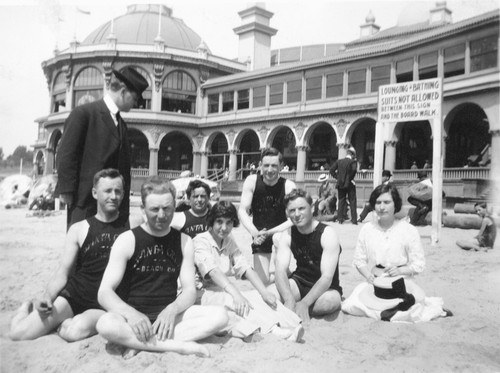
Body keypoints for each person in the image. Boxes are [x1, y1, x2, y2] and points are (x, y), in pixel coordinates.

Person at [96, 177, 228, 357]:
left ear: (174, 207)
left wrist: (171, 310)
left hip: (169, 317)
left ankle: (141, 343)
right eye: (154, 209)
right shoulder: (127, 240)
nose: (161, 215)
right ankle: (179, 347)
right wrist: (132, 314)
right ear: (143, 209)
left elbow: (189, 290)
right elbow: (104, 292)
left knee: (221, 317)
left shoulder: (184, 241)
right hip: (131, 319)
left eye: (166, 208)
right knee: (105, 324)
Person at [9, 169, 130, 341]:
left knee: (76, 331)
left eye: (118, 191)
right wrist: (46, 297)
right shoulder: (79, 229)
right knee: (18, 333)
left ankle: (66, 324)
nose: (113, 196)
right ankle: (24, 309)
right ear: (95, 193)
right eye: (108, 191)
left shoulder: (132, 224)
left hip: (107, 301)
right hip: (76, 295)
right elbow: (62, 272)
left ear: (124, 194)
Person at [193, 201, 304, 342]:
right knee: (236, 301)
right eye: (219, 222)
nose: (224, 227)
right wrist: (236, 294)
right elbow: (213, 271)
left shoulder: (228, 240)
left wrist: (264, 292)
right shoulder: (201, 240)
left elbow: (244, 266)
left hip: (220, 290)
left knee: (256, 296)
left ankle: (292, 323)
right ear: (211, 221)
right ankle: (275, 330)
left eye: (229, 223)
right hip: (201, 294)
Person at [55, 67, 149, 228]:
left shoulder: (121, 124)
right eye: (135, 98)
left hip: (115, 208)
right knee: (84, 249)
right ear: (123, 91)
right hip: (85, 203)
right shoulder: (84, 114)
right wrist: (67, 191)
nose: (136, 103)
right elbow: (66, 153)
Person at [343, 183, 450, 322]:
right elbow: (359, 260)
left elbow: (419, 264)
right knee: (353, 305)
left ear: (396, 204)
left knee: (410, 311)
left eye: (387, 202)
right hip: (376, 285)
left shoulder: (408, 230)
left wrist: (400, 271)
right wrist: (369, 276)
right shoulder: (367, 229)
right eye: (378, 203)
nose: (382, 207)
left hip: (401, 283)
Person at [274, 189, 343, 324]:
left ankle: (300, 307)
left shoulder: (327, 233)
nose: (297, 214)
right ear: (287, 213)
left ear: (311, 208)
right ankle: (294, 305)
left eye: (301, 208)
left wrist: (305, 303)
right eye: (292, 210)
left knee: (328, 303)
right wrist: (288, 298)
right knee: (272, 294)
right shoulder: (288, 234)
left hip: (326, 288)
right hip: (300, 282)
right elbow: (280, 270)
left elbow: (327, 277)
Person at [238, 147, 296, 284]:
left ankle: (283, 271)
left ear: (281, 166)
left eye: (274, 165)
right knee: (263, 281)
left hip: (280, 234)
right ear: (260, 166)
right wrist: (255, 232)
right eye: (266, 165)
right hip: (259, 234)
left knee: (277, 239)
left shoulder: (288, 186)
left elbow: (293, 219)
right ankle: (285, 273)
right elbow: (242, 211)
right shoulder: (252, 181)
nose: (270, 170)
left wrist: (270, 232)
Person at [330, 147, 358, 224]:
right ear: (352, 155)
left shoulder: (339, 161)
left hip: (340, 184)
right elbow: (354, 170)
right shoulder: (353, 162)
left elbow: (331, 170)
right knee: (352, 201)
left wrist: (337, 177)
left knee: (341, 201)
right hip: (350, 184)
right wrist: (350, 179)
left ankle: (340, 219)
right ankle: (354, 220)